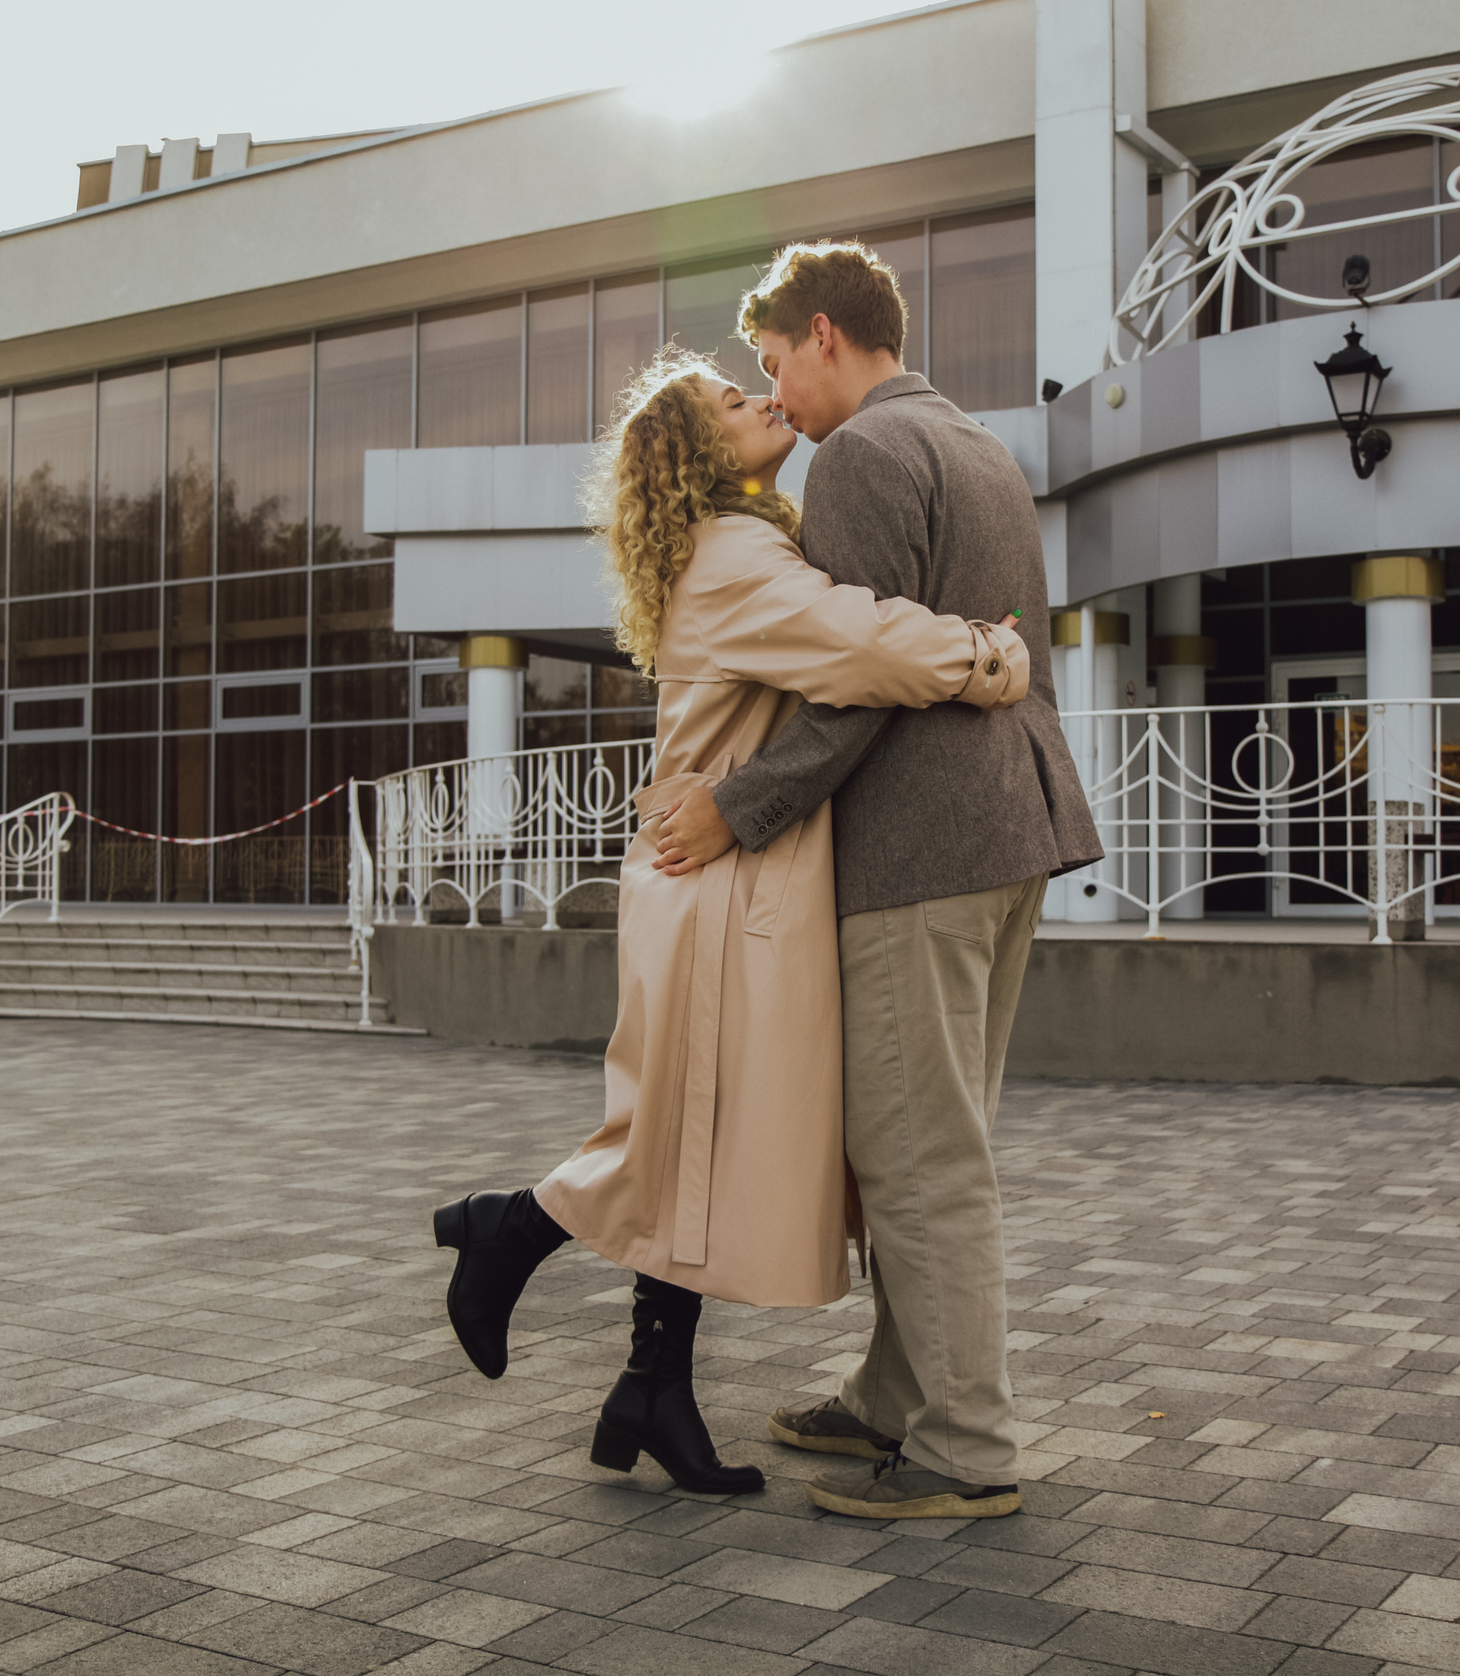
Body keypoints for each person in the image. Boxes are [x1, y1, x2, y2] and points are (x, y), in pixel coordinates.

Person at [433, 347, 1032, 1497]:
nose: (761, 398)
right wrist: (988, 654)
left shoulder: (741, 541)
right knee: (679, 1138)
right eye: (728, 399)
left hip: (723, 874)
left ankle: (648, 1388)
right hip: (720, 883)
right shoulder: (734, 553)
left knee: (690, 1137)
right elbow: (858, 645)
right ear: (693, 454)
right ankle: (511, 1225)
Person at [651, 243, 1101, 1520]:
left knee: (917, 1158)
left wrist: (735, 809)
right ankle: (893, 1399)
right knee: (930, 1140)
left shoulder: (858, 455)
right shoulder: (975, 444)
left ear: (828, 333)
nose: (774, 389)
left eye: (776, 359)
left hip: (917, 850)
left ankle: (962, 1450)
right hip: (1012, 834)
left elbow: (850, 682)